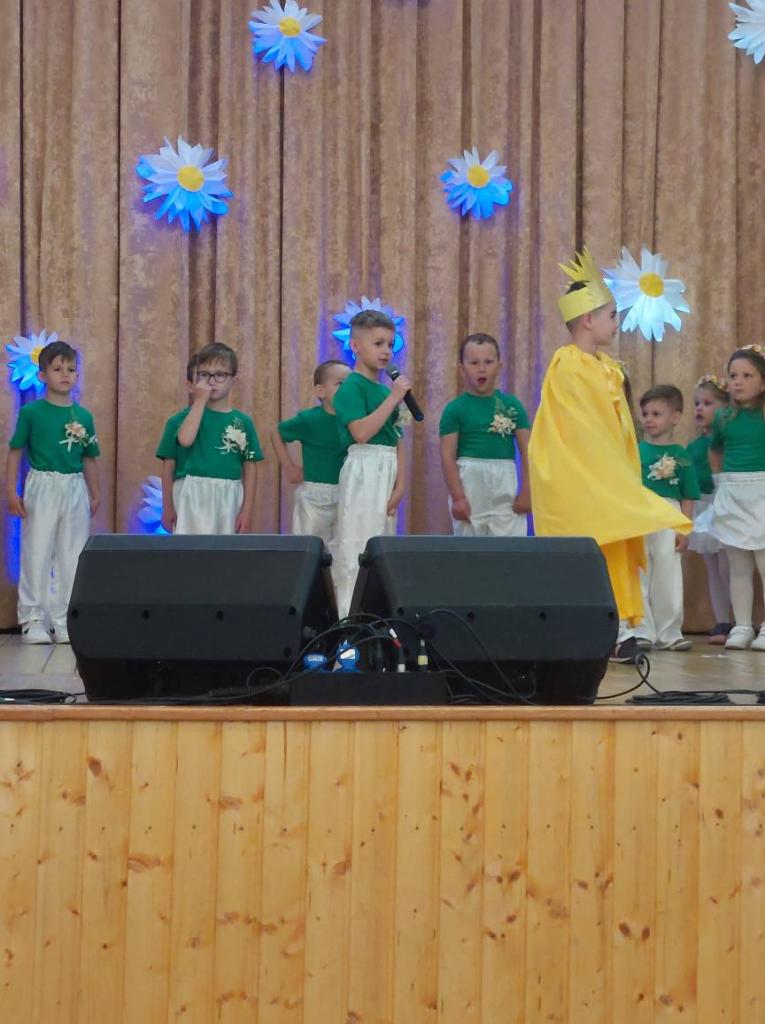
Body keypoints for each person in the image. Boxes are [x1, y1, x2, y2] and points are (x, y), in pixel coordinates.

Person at [528, 248, 691, 664]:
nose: (616, 323)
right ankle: (586, 629)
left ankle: (620, 630)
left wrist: (620, 472)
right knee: (588, 549)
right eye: (612, 315)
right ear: (588, 319)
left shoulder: (607, 367)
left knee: (615, 546)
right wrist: (601, 471)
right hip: (583, 480)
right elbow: (576, 427)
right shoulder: (567, 365)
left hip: (609, 475)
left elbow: (617, 428)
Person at [6, 340, 100, 644]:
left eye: (71, 369)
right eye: (58, 369)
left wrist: (95, 492)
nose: (65, 374)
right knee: (37, 550)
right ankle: (33, 619)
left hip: (74, 487)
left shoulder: (83, 416)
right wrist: (11, 491)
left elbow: (89, 458)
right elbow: (15, 451)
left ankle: (64, 619)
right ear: (42, 375)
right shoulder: (32, 412)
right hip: (42, 485)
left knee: (72, 553)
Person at [332, 310, 412, 618]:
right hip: (364, 469)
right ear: (355, 346)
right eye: (378, 343)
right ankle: (349, 617)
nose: (386, 351)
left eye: (390, 344)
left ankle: (376, 618)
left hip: (386, 469)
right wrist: (394, 398)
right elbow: (361, 433)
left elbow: (397, 439)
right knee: (358, 542)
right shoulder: (351, 387)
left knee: (381, 542)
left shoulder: (383, 390)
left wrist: (400, 485)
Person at [156, 342, 262, 534]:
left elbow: (250, 468)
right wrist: (168, 506)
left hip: (229, 494)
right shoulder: (181, 420)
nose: (212, 381)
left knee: (225, 549)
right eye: (204, 375)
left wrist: (247, 511)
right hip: (193, 493)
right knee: (192, 548)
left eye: (220, 375)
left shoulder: (243, 422)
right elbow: (184, 441)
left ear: (233, 381)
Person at [439, 332, 530, 536]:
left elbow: (528, 451)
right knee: (470, 548)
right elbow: (447, 457)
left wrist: (527, 491)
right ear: (461, 368)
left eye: (488, 362)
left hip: (505, 487)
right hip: (470, 487)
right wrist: (458, 498)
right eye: (474, 363)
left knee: (510, 545)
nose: (482, 368)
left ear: (499, 366)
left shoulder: (512, 405)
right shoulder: (455, 409)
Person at [635, 385, 700, 651]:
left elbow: (688, 496)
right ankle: (641, 631)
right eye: (645, 414)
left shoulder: (681, 456)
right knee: (639, 574)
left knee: (668, 574)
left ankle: (670, 633)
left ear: (675, 417)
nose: (649, 419)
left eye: (656, 414)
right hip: (639, 516)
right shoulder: (635, 451)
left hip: (669, 516)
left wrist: (684, 529)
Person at [709, 345, 765, 650]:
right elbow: (715, 450)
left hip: (762, 492)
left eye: (747, 375)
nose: (738, 382)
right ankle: (742, 626)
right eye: (733, 376)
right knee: (739, 566)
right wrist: (720, 480)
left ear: (763, 382)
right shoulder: (723, 417)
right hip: (733, 493)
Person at [271, 359, 351, 548]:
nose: (347, 389)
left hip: (347, 493)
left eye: (350, 384)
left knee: (342, 549)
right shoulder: (309, 419)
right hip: (314, 497)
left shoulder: (354, 421)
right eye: (340, 383)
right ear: (320, 391)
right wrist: (289, 467)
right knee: (309, 547)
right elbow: (276, 432)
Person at [687, 374, 732, 644]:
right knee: (712, 568)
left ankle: (741, 620)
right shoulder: (693, 447)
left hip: (725, 504)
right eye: (696, 404)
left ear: (725, 407)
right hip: (703, 507)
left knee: (728, 567)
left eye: (707, 403)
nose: (699, 409)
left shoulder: (726, 443)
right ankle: (722, 621)